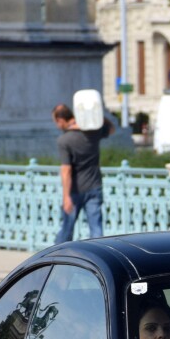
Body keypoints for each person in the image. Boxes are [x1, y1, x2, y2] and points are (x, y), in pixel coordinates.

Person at [52, 103, 113, 244]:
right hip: (95, 187)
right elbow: (111, 129)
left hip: (74, 191)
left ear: (61, 120)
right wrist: (98, 116)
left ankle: (57, 258)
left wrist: (66, 197)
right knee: (97, 231)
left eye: (56, 122)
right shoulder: (93, 133)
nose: (56, 125)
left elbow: (66, 170)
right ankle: (99, 261)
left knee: (67, 230)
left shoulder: (64, 140)